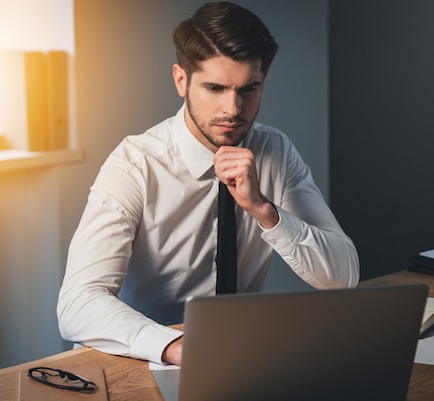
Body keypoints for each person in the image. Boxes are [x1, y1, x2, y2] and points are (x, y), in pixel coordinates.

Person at [57, 1, 359, 366]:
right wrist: (177, 347)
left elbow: (344, 277)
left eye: (249, 89)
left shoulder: (274, 150)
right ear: (181, 80)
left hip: (233, 356)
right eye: (215, 88)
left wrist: (265, 211)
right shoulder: (134, 164)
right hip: (138, 358)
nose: (233, 109)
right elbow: (78, 303)